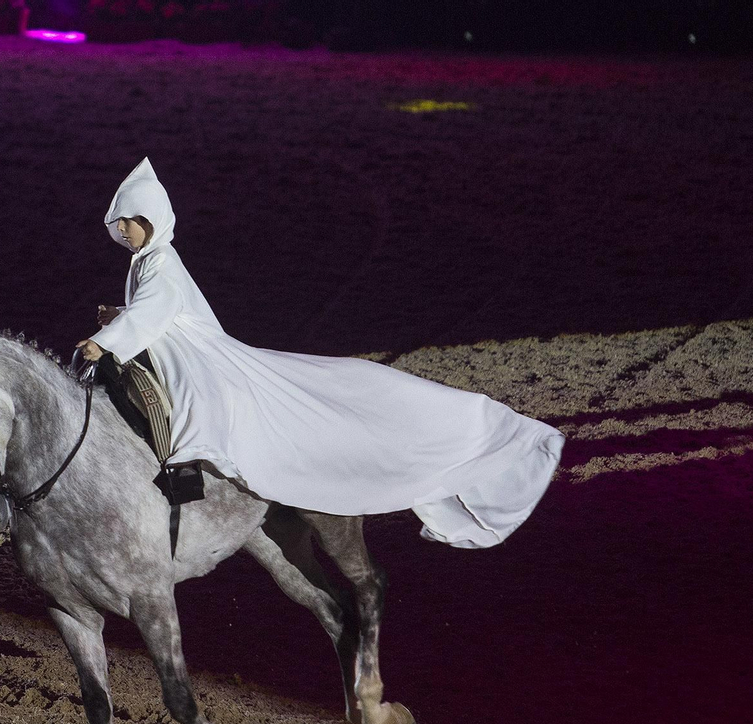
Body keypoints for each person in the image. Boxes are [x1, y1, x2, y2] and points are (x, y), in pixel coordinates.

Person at [77, 158, 564, 548]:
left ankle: (181, 474)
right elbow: (155, 310)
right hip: (174, 345)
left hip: (190, 355)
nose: (122, 232)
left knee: (184, 406)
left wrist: (107, 339)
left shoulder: (159, 260)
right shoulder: (149, 258)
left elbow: (155, 311)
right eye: (118, 225)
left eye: (128, 223)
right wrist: (118, 316)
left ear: (149, 221)